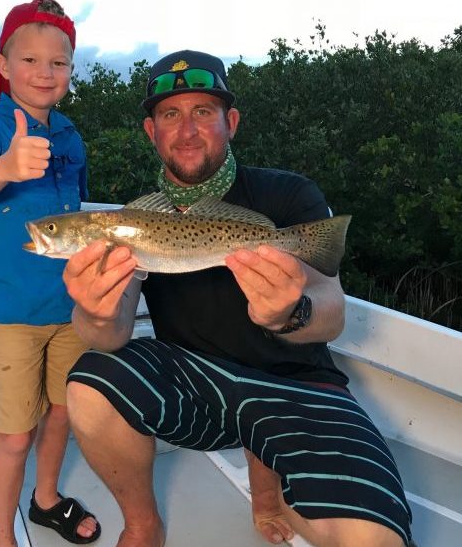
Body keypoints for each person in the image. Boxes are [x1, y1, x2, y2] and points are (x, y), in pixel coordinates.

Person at [62, 49, 413, 547]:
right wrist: (92, 310)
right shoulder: (133, 222)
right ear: (151, 131)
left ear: (231, 121)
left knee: (374, 540)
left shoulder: (289, 195)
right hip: (197, 382)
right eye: (170, 115)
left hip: (298, 383)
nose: (186, 130)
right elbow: (111, 334)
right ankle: (143, 524)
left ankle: (271, 481)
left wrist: (290, 314)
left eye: (202, 112)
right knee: (90, 380)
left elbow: (332, 313)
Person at [0, 0, 100, 546]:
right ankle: (1, 537)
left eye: (58, 62)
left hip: (71, 307)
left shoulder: (69, 136)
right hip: (14, 314)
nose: (45, 72)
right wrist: (7, 167)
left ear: (69, 70)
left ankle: (45, 500)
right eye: (31, 60)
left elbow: (79, 215)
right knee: (14, 436)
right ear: (3, 64)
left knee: (63, 413)